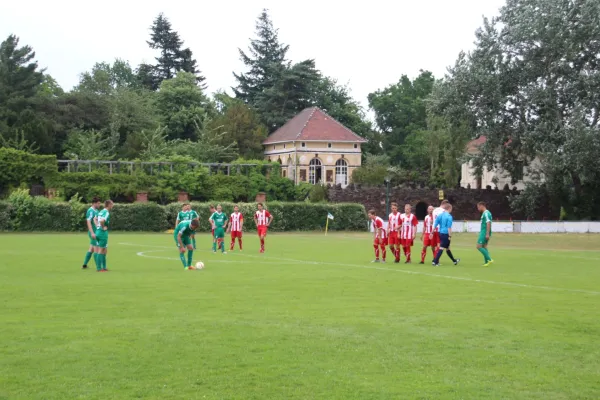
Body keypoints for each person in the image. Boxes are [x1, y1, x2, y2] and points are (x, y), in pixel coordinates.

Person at [95, 199, 114, 272]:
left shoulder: (101, 211)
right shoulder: (106, 212)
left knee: (105, 250)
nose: (112, 206)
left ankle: (104, 267)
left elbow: (95, 218)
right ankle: (99, 268)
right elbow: (102, 220)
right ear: (109, 205)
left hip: (98, 232)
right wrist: (103, 227)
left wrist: (98, 226)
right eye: (112, 204)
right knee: (101, 250)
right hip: (102, 233)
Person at [82, 197, 101, 270]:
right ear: (94, 203)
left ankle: (84, 265)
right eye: (98, 203)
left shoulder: (96, 211)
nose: (99, 204)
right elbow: (88, 222)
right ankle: (98, 267)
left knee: (91, 249)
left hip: (96, 232)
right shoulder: (90, 211)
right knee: (97, 249)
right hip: (93, 233)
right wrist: (92, 232)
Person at [477, 201, 494, 266]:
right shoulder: (485, 213)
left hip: (484, 232)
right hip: (484, 231)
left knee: (478, 246)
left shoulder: (486, 213)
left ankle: (489, 259)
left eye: (478, 207)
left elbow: (488, 223)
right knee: (484, 246)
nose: (478, 209)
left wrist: (487, 233)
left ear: (482, 206)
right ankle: (486, 262)